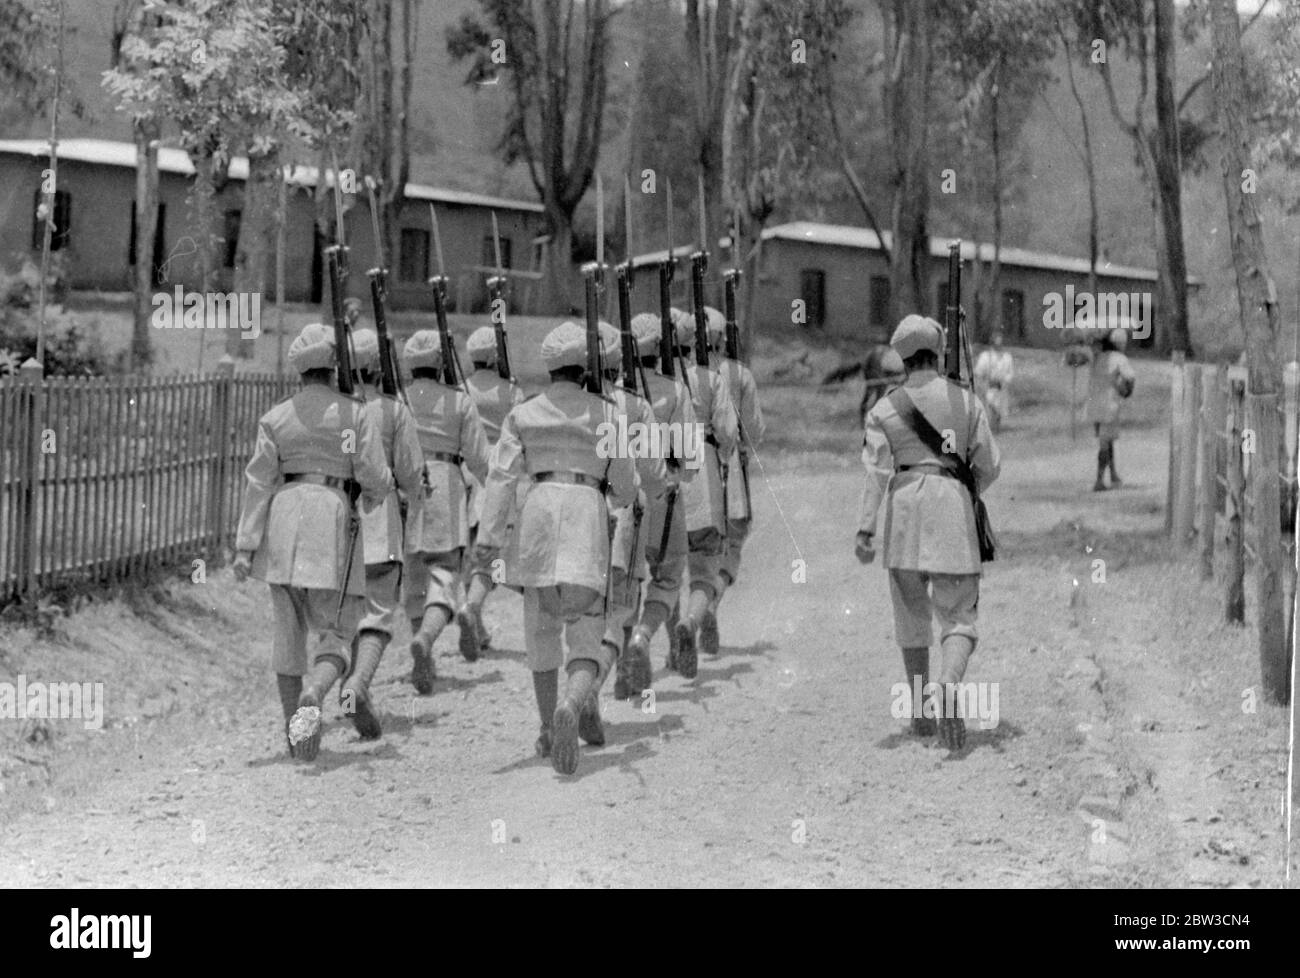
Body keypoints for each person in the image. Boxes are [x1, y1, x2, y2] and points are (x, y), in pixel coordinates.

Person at [476, 321, 637, 775]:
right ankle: (573, 701)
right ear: (587, 367)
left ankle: (549, 725)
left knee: (542, 630)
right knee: (587, 630)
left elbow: (501, 476)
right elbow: (624, 486)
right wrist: (618, 493)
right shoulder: (607, 414)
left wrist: (488, 540)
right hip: (587, 510)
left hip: (539, 513)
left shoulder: (524, 414)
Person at [232, 322, 392, 761]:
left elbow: (258, 481)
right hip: (332, 518)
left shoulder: (277, 416)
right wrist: (378, 494)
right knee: (338, 628)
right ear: (334, 366)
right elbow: (374, 476)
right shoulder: (354, 413)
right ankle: (316, 693)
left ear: (299, 370)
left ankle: (297, 737)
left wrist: (246, 547)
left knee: (288, 635)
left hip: (283, 520)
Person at [855, 314, 1001, 750]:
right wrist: (963, 485)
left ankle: (920, 711)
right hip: (952, 511)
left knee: (911, 617)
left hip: (903, 517)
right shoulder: (967, 402)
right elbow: (990, 464)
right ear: (937, 354)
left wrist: (865, 529)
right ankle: (951, 684)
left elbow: (876, 472)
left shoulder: (883, 409)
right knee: (958, 615)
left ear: (901, 358)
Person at [343, 328, 425, 738]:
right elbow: (411, 475)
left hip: (336, 528)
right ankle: (358, 684)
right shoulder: (393, 412)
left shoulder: (335, 411)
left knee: (342, 619)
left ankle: (343, 688)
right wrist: (415, 496)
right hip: (379, 526)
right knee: (377, 613)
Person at [401, 330, 490, 694]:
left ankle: (422, 648)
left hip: (406, 483)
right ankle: (426, 638)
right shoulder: (458, 401)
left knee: (414, 578)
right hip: (446, 483)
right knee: (446, 573)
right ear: (440, 363)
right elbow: (480, 459)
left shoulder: (400, 399)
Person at [618, 313, 698, 699]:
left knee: (627, 584)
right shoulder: (675, 391)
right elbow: (691, 461)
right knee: (667, 580)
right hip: (664, 496)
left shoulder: (613, 392)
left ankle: (620, 667)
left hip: (623, 503)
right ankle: (642, 637)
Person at [595, 320, 668, 712]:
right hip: (624, 511)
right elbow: (654, 473)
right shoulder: (634, 405)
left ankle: (617, 674)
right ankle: (600, 683)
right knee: (624, 601)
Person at [666, 307, 738, 679]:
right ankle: (691, 623)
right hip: (705, 471)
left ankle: (668, 646)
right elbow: (728, 431)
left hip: (667, 473)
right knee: (704, 568)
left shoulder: (663, 379)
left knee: (666, 571)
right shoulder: (712, 380)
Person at [459, 325, 525, 659]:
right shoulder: (510, 391)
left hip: (464, 474)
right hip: (498, 473)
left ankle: (477, 624)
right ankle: (472, 609)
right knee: (490, 558)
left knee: (469, 551)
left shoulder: (461, 389)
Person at [703, 305, 765, 653]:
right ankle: (711, 601)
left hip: (692, 467)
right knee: (734, 540)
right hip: (730, 467)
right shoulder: (739, 374)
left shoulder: (687, 374)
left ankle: (694, 610)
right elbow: (754, 431)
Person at [1086, 327, 1136, 491]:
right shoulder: (1119, 358)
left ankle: (1113, 473)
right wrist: (1126, 389)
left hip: (1094, 405)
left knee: (1106, 440)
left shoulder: (1096, 358)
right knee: (1105, 443)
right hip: (1109, 405)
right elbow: (1130, 377)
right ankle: (1099, 480)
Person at [973, 330, 1014, 432]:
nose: (998, 345)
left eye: (1000, 342)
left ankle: (996, 427)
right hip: (989, 387)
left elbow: (1010, 373)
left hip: (1001, 388)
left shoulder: (1007, 357)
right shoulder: (986, 356)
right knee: (990, 407)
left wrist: (1005, 380)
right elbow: (978, 372)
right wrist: (982, 383)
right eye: (996, 342)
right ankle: (990, 428)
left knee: (1000, 409)